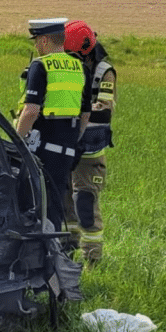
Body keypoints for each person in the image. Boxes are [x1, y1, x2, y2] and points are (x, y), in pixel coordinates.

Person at [14, 18, 92, 232]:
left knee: (30, 203)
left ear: (45, 40)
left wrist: (16, 140)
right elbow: (85, 113)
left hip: (40, 150)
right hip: (66, 151)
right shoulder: (80, 68)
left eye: (37, 41)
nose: (36, 46)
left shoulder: (41, 65)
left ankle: (34, 256)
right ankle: (54, 252)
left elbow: (31, 111)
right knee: (55, 204)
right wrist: (72, 139)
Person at [62, 20, 116, 265]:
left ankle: (92, 263)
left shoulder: (104, 71)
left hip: (90, 151)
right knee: (65, 210)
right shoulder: (69, 67)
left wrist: (75, 111)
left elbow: (103, 112)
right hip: (66, 148)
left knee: (85, 208)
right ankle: (67, 257)